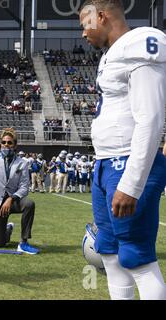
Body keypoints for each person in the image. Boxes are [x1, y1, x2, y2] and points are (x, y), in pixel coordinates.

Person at [79, 0, 166, 300]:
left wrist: (131, 183)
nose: (83, 33)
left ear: (101, 16)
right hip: (106, 163)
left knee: (137, 258)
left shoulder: (140, 43)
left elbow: (151, 118)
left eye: (85, 24)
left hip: (127, 162)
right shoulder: (111, 55)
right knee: (110, 254)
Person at [0, 128, 39, 254]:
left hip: (12, 201)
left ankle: (23, 242)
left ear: (14, 145)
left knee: (29, 204)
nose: (6, 145)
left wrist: (11, 198)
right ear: (0, 143)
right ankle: (8, 229)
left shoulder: (23, 163)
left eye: (9, 143)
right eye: (3, 142)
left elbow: (24, 187)